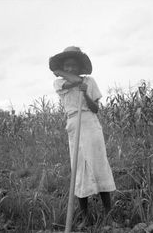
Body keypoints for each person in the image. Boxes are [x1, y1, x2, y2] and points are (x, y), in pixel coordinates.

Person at [49, 46, 116, 228]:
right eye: (66, 65)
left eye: (73, 65)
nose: (69, 68)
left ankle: (108, 215)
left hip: (90, 123)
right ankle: (86, 218)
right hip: (73, 124)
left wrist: (85, 93)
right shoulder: (58, 83)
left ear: (79, 66)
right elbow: (69, 82)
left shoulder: (90, 81)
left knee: (98, 165)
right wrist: (71, 79)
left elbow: (95, 109)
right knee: (78, 170)